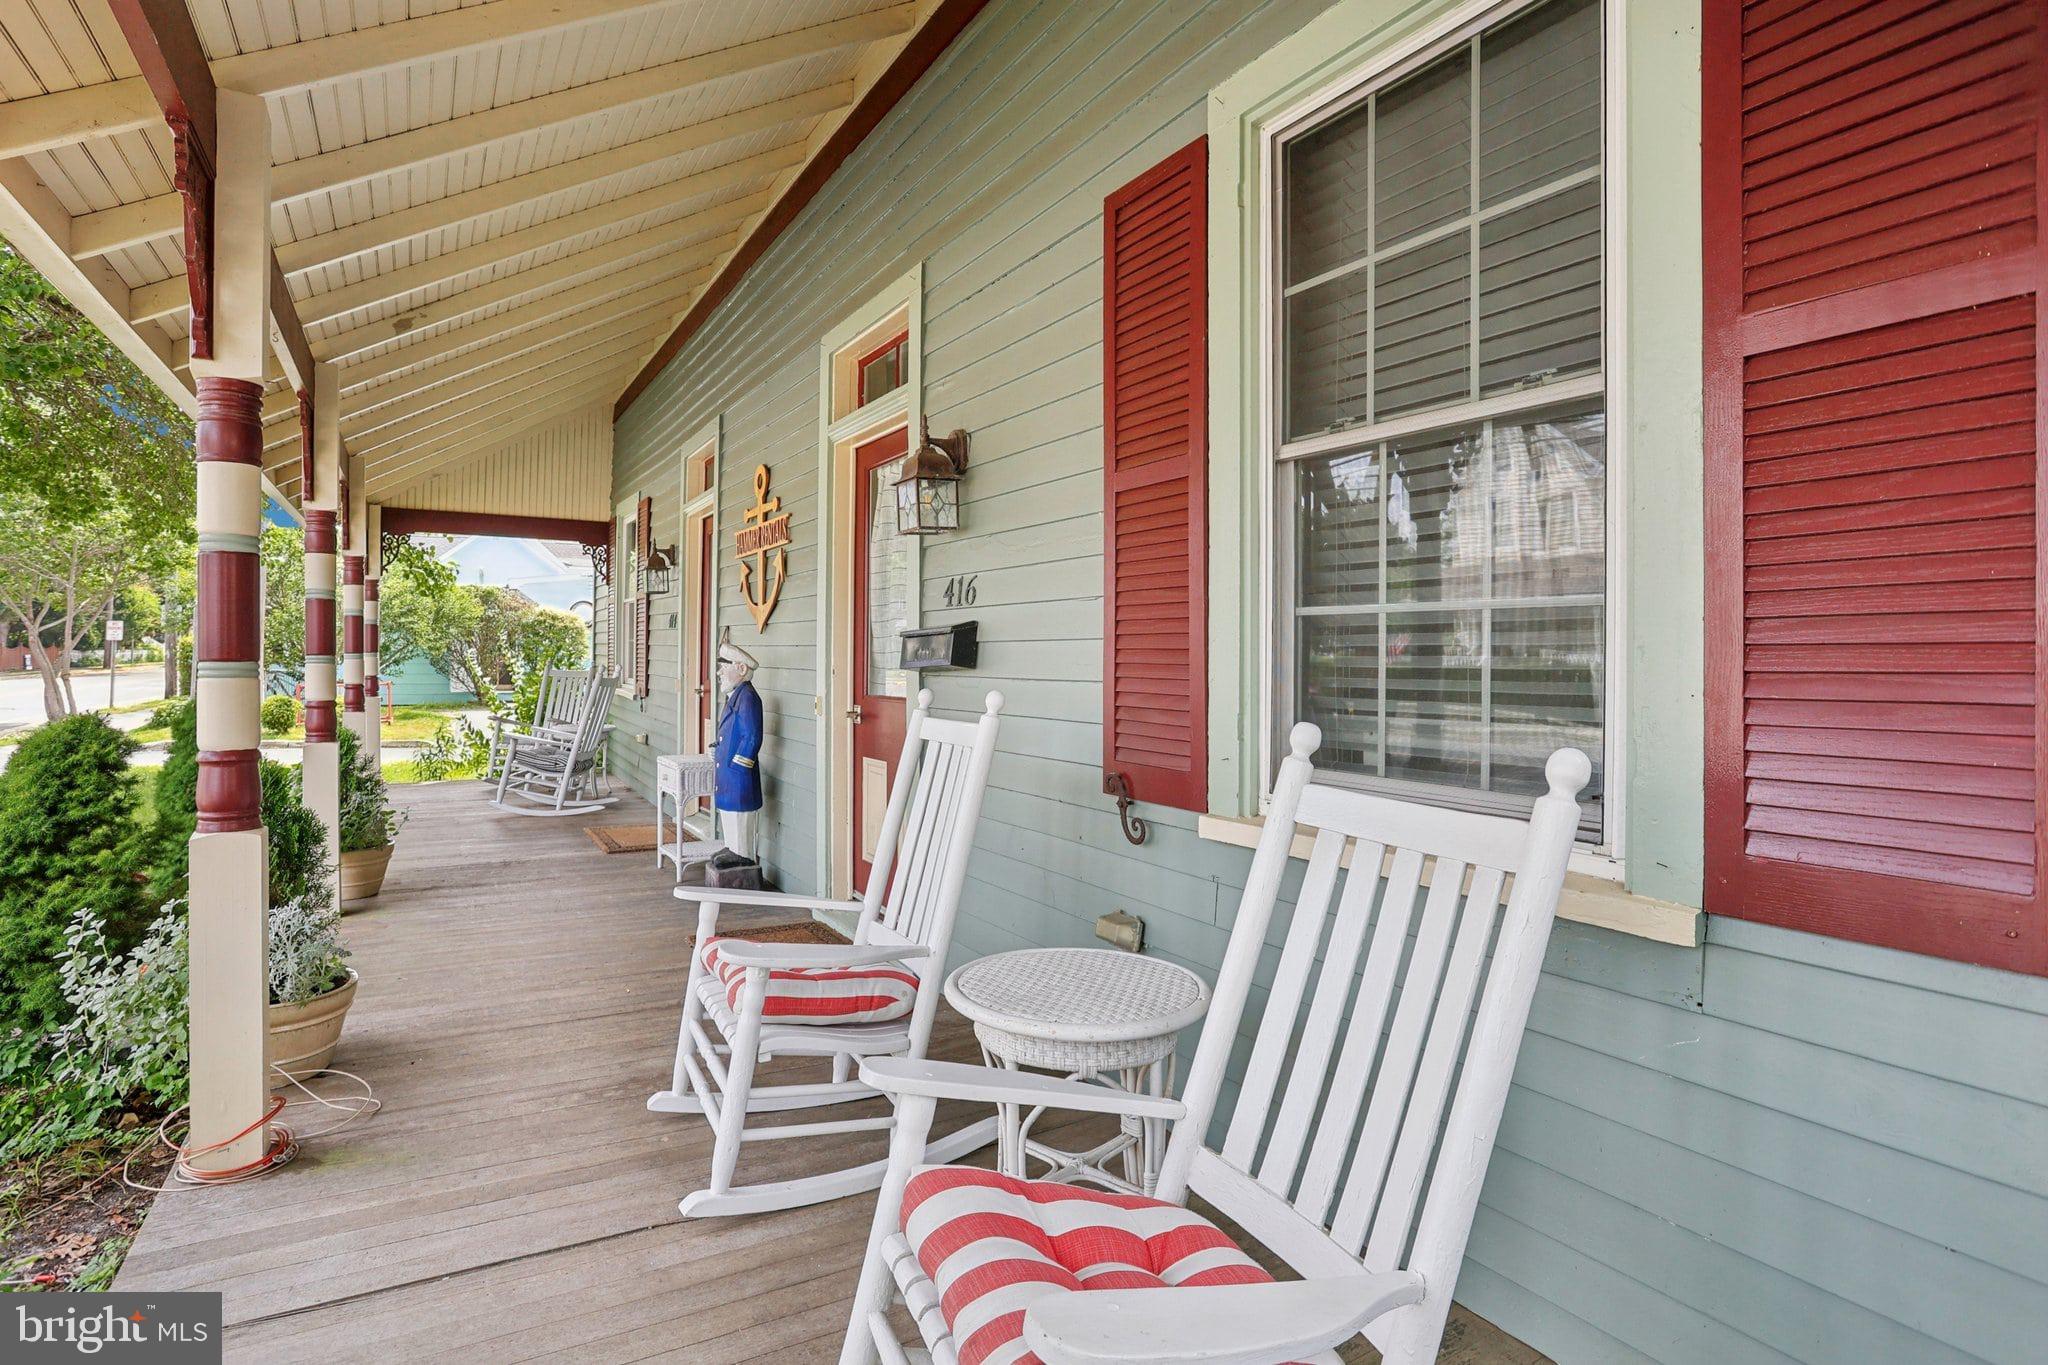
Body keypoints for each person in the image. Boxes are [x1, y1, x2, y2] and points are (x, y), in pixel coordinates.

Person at [713, 636, 764, 860]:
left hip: (739, 780)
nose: (719, 673)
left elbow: (752, 736)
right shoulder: (734, 697)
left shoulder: (748, 698)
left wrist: (737, 767)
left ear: (741, 669)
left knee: (740, 829)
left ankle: (741, 866)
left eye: (723, 667)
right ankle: (731, 858)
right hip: (728, 781)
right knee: (730, 824)